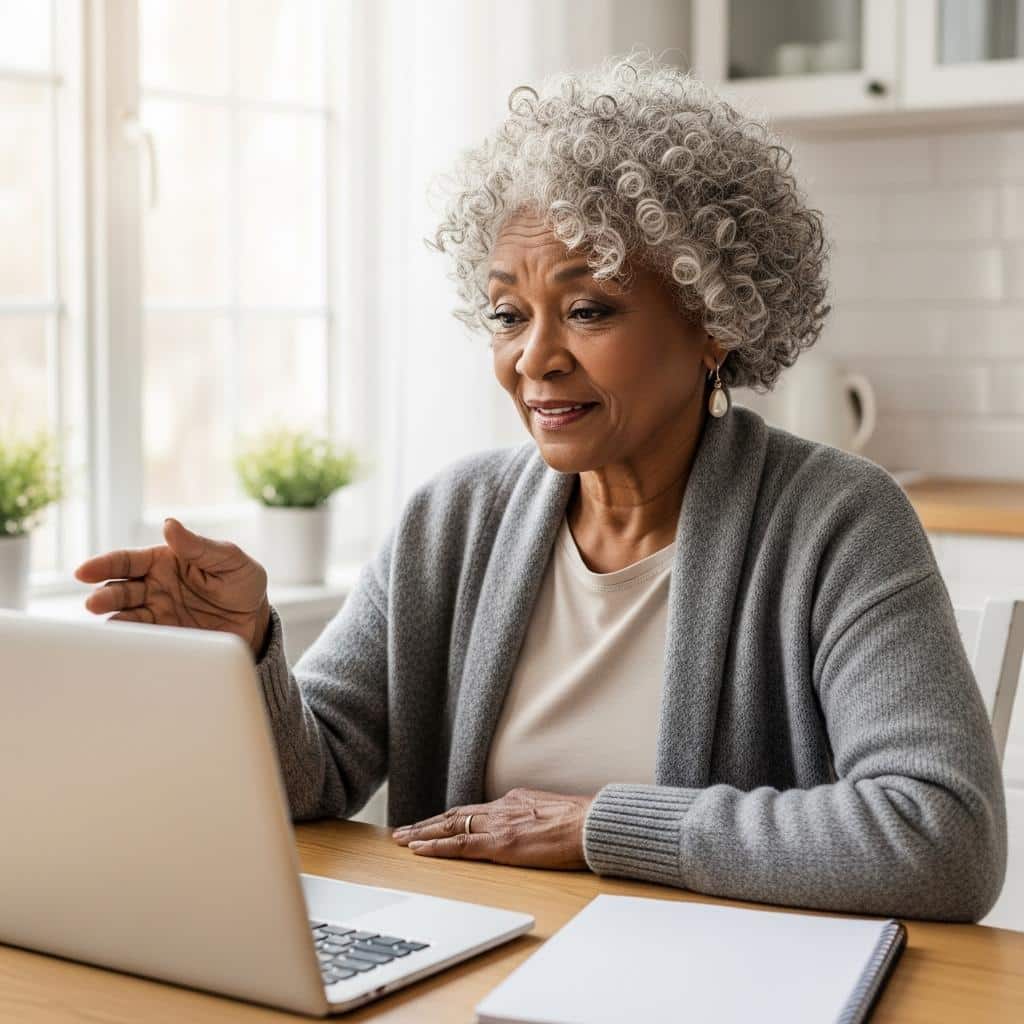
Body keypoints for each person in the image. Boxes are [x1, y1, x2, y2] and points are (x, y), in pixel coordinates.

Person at [74, 53, 1006, 922]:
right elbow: (315, 779)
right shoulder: (455, 519)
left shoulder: (836, 522)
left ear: (714, 320)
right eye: (508, 314)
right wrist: (249, 652)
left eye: (589, 309)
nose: (534, 359)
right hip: (472, 973)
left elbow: (942, 837)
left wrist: (598, 828)